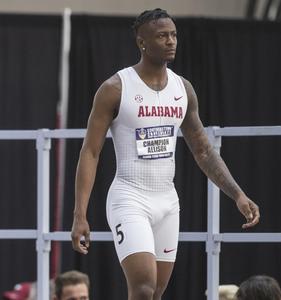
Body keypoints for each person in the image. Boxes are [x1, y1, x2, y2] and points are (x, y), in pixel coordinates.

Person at [70, 8, 260, 300]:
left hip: (167, 202)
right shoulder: (115, 88)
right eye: (161, 36)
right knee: (143, 287)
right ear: (141, 42)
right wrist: (79, 214)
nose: (171, 41)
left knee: (156, 292)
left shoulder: (183, 89)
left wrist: (237, 194)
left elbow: (203, 150)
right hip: (129, 198)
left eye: (173, 35)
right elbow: (91, 151)